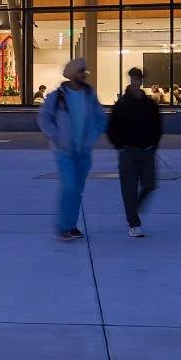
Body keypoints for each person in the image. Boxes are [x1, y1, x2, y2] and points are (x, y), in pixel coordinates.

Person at [36, 58, 105, 241]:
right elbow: (44, 118)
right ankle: (63, 226)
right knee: (69, 186)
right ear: (72, 73)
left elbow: (100, 118)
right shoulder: (57, 96)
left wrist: (92, 137)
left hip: (83, 152)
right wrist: (56, 136)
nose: (84, 74)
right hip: (64, 151)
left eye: (85, 71)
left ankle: (71, 226)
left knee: (77, 189)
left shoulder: (90, 95)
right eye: (81, 71)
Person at [106, 67, 162, 237]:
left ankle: (133, 207)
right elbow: (112, 127)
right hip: (128, 151)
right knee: (129, 189)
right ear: (130, 81)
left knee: (149, 184)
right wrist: (120, 146)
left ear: (141, 81)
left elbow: (157, 126)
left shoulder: (150, 104)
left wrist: (153, 145)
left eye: (138, 80)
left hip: (147, 151)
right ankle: (134, 223)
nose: (136, 83)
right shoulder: (122, 104)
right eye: (133, 80)